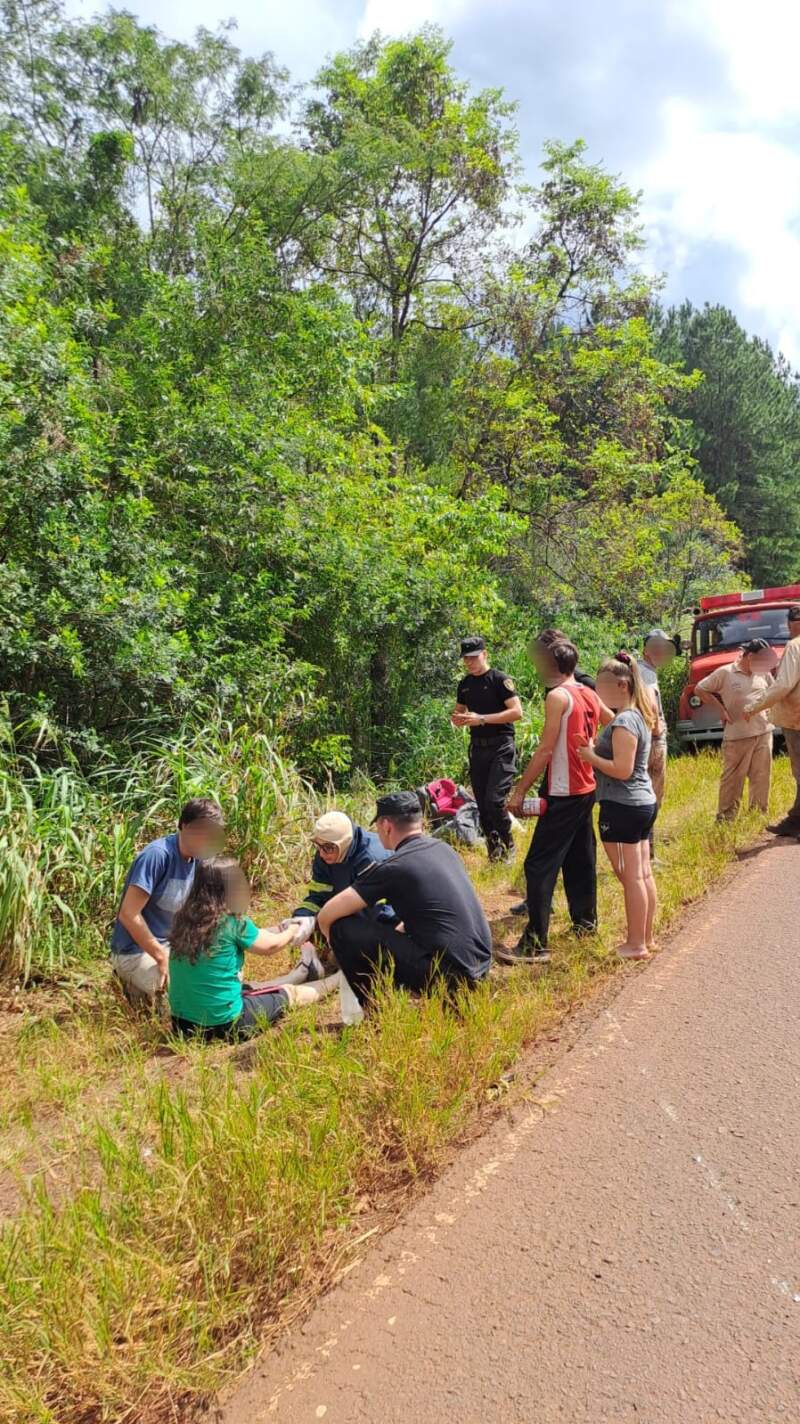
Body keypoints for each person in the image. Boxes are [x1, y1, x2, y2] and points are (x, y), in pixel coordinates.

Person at [316, 792, 492, 1005]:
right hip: (480, 970)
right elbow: (429, 913)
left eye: (378, 827)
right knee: (392, 931)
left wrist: (334, 944)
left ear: (387, 826)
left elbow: (327, 914)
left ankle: (375, 1009)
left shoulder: (395, 866)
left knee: (342, 929)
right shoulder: (443, 849)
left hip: (450, 979)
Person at [501, 640, 602, 966]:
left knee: (539, 866)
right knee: (580, 859)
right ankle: (586, 924)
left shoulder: (558, 697)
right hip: (587, 787)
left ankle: (535, 945)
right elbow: (613, 719)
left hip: (563, 791)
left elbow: (545, 750)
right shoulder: (589, 692)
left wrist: (519, 792)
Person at [168, 856, 340, 1040]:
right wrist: (294, 928)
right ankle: (338, 980)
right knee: (291, 994)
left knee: (248, 988)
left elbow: (257, 936)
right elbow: (271, 946)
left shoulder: (183, 919)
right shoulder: (231, 921)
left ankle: (300, 974)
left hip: (182, 1027)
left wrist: (281, 929)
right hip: (226, 1025)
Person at [577, 655, 658, 960]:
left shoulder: (624, 720)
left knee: (631, 877)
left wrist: (590, 756)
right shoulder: (636, 714)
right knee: (643, 874)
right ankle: (646, 939)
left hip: (623, 805)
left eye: (602, 686)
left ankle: (635, 944)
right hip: (640, 803)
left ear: (621, 685)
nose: (598, 692)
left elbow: (622, 769)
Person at [110, 798, 225, 1002]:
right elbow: (128, 914)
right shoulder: (157, 856)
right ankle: (129, 983)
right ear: (184, 826)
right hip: (134, 951)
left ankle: (141, 993)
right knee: (183, 998)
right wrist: (161, 957)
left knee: (217, 979)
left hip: (171, 946)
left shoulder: (197, 860)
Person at [277, 810, 396, 984]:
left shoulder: (371, 859)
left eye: (328, 848)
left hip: (382, 918)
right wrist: (303, 916)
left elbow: (380, 913)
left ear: (345, 842)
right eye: (318, 846)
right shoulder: (324, 854)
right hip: (346, 911)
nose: (322, 854)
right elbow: (319, 893)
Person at [451, 636, 523, 862]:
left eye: (473, 657)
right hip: (478, 749)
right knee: (482, 804)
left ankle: (508, 842)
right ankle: (494, 851)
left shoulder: (499, 680)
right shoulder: (465, 684)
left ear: (485, 654)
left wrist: (482, 718)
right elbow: (458, 713)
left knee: (494, 800)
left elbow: (516, 712)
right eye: (466, 659)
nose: (470, 663)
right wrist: (459, 719)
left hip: (501, 746)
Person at [694, 638, 776, 820]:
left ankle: (758, 816)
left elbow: (773, 692)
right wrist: (720, 710)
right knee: (732, 780)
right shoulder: (725, 672)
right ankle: (726, 819)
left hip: (764, 732)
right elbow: (700, 689)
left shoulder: (763, 672)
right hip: (737, 736)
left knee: (761, 777)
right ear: (750, 656)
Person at [743, 604, 800, 836]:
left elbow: (784, 685)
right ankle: (795, 821)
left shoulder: (794, 646)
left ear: (789, 624)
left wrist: (754, 707)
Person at [636, 630, 673, 820]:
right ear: (646, 651)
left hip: (644, 738)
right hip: (652, 740)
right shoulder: (645, 672)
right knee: (653, 795)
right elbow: (650, 701)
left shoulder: (641, 669)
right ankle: (647, 843)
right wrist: (657, 727)